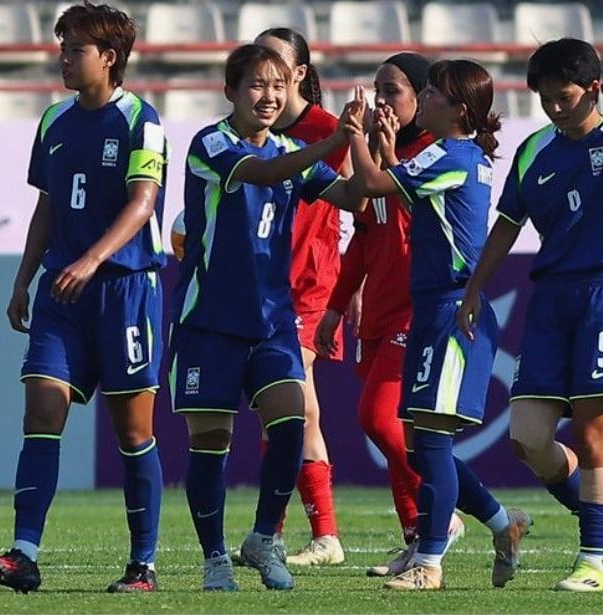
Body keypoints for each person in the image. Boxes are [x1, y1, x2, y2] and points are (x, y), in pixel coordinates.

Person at [457, 38, 603, 592]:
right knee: (526, 437)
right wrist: (476, 287)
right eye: (546, 97)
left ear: (593, 89)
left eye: (565, 95)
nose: (555, 106)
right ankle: (598, 507)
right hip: (551, 300)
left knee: (594, 436)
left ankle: (592, 564)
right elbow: (507, 223)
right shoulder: (534, 152)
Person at [0, 2, 168, 593]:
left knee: (133, 433)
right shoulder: (54, 122)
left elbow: (144, 202)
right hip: (62, 293)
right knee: (41, 412)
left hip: (125, 290)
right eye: (61, 47)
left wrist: (92, 258)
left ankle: (143, 565)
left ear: (109, 58)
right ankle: (23, 555)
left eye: (74, 49)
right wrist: (25, 277)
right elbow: (47, 206)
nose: (63, 58)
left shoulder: (141, 120)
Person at [169, 44, 366, 592]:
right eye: (257, 85)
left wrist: (372, 143)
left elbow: (353, 196)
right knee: (211, 442)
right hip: (209, 322)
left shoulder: (288, 149)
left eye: (278, 86)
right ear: (231, 91)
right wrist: (333, 139)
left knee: (290, 424)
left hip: (273, 321)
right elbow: (263, 173)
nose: (269, 96)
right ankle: (214, 559)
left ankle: (261, 538)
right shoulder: (211, 144)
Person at [344, 60, 531, 592]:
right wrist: (378, 149)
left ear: (459, 109)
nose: (422, 99)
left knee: (426, 441)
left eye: (430, 92)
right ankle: (502, 523)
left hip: (452, 310)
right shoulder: (452, 156)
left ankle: (430, 560)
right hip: (433, 308)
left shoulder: (450, 155)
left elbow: (375, 185)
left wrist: (355, 136)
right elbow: (400, 193)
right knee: (427, 444)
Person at [316, 52, 466, 578]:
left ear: (423, 98)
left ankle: (447, 517)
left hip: (417, 310)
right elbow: (363, 237)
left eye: (393, 91)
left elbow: (398, 205)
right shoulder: (386, 157)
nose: (382, 100)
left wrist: (367, 145)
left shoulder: (430, 155)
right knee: (394, 427)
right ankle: (418, 537)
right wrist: (337, 306)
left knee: (378, 419)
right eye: (377, 88)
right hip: (376, 312)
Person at [251, 26, 348, 568]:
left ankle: (325, 535)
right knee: (280, 407)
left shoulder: (326, 130)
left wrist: (350, 286)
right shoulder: (250, 131)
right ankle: (274, 532)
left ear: (300, 74)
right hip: (264, 289)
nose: (265, 72)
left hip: (309, 287)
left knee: (299, 404)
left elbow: (355, 203)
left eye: (276, 62)